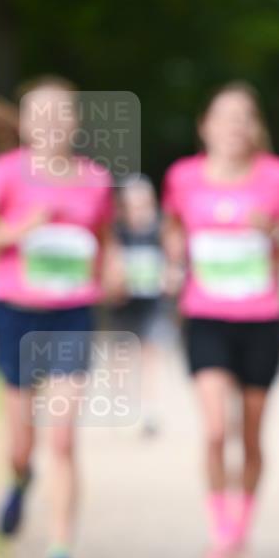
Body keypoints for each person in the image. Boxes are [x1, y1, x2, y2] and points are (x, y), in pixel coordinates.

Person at [161, 81, 279, 558]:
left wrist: (276, 232)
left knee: (252, 435)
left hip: (262, 318)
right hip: (206, 316)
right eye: (224, 116)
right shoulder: (183, 177)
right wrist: (174, 258)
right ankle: (222, 535)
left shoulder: (277, 177)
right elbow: (173, 225)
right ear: (206, 125)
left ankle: (242, 530)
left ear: (254, 127)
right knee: (217, 429)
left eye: (243, 117)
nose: (234, 127)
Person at [0, 77, 116, 558]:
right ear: (24, 123)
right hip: (16, 312)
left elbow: (102, 240)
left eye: (61, 114)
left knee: (61, 439)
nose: (51, 123)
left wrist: (111, 272)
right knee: (24, 445)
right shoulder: (4, 173)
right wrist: (19, 231)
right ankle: (19, 480)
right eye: (39, 114)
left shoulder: (94, 180)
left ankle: (60, 556)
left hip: (71, 313)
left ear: (75, 122)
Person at [111, 175, 172, 437]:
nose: (138, 210)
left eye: (143, 204)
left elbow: (176, 260)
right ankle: (123, 404)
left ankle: (150, 410)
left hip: (154, 303)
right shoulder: (115, 231)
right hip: (123, 303)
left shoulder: (162, 230)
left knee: (151, 354)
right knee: (122, 355)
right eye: (132, 205)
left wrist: (172, 275)